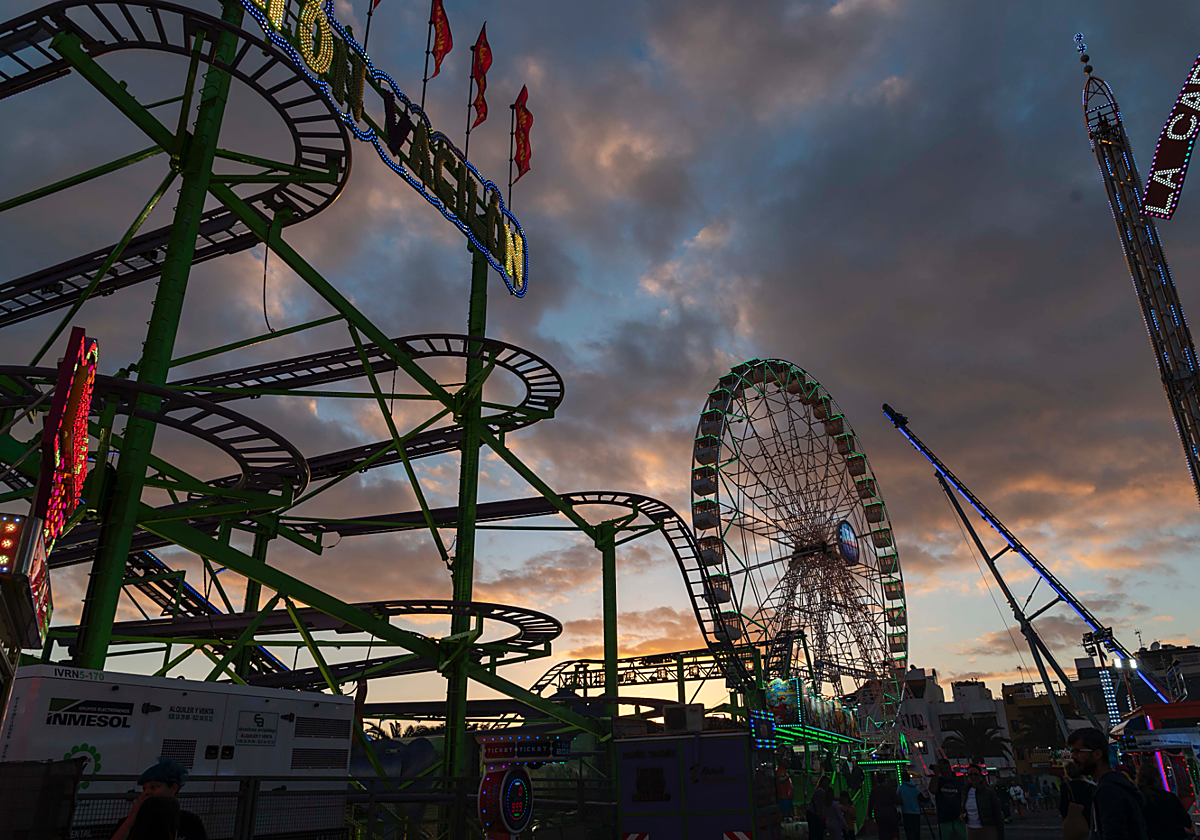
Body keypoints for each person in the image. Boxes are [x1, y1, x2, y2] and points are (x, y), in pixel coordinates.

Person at [1068, 727, 1146, 840]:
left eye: (1078, 751)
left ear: (1097, 754)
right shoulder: (1117, 785)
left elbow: (1114, 834)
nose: (1073, 756)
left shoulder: (1108, 791)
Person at [111, 758, 207, 840]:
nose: (146, 792)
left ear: (173, 788)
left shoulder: (189, 822)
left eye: (154, 787)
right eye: (144, 788)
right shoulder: (132, 821)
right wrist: (132, 817)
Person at [1136, 760, 1195, 840]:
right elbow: (1186, 822)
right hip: (1175, 836)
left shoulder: (1138, 799)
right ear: (1157, 778)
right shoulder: (1168, 797)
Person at [960, 765, 1005, 840]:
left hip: (988, 830)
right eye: (970, 774)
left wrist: (1000, 834)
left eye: (976, 774)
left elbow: (998, 814)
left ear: (980, 776)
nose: (973, 777)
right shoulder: (965, 792)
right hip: (971, 830)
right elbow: (962, 808)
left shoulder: (989, 793)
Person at [931, 759, 967, 840]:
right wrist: (936, 774)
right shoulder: (938, 781)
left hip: (958, 818)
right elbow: (933, 790)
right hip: (944, 819)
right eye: (942, 768)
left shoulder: (958, 782)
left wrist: (963, 812)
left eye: (946, 768)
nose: (945, 770)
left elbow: (964, 797)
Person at [1060, 761, 1096, 828]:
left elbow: (1063, 807)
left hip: (1075, 821)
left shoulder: (1066, 787)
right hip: (1091, 820)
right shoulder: (1090, 786)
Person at [869, 774, 902, 840]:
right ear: (885, 780)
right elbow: (897, 801)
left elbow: (870, 803)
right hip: (890, 812)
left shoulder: (874, 790)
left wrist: (869, 815)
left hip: (879, 813)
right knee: (893, 831)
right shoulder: (890, 789)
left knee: (882, 832)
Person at [899, 771, 928, 840]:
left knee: (909, 832)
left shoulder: (901, 788)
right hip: (916, 812)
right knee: (916, 831)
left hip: (906, 812)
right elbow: (921, 798)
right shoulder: (915, 788)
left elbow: (898, 798)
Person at [809, 775, 832, 840]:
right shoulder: (821, 791)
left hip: (813, 813)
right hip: (815, 814)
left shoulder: (818, 790)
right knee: (817, 833)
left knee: (813, 833)